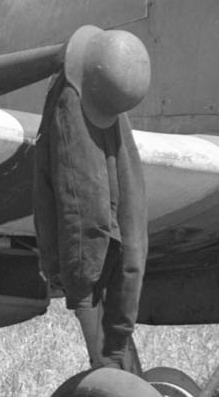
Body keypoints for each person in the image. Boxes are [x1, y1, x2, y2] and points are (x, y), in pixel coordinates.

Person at [33, 26, 150, 372]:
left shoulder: (77, 100)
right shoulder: (102, 105)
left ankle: (112, 368)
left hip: (93, 277)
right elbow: (122, 235)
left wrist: (79, 286)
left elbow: (84, 214)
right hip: (106, 282)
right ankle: (115, 365)